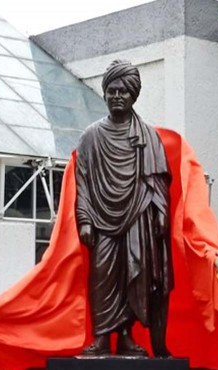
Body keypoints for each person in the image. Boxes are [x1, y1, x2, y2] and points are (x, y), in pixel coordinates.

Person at [75, 59, 173, 357]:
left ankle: (127, 336)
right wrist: (85, 219)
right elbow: (83, 180)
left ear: (133, 96)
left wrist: (160, 213)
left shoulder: (148, 136)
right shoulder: (91, 135)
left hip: (138, 214)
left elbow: (157, 181)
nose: (117, 96)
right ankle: (102, 337)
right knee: (103, 276)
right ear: (104, 94)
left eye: (123, 92)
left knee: (135, 272)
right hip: (102, 219)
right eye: (112, 91)